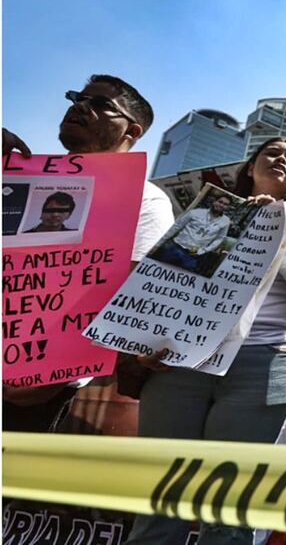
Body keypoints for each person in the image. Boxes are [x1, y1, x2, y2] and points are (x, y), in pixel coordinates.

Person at [126, 137, 286, 545]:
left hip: (262, 364)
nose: (280, 160)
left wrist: (277, 232)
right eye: (271, 153)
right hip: (184, 361)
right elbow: (172, 280)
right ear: (250, 169)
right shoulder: (208, 215)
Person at [2, 75, 174, 434]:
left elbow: (132, 291)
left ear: (133, 131)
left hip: (36, 380)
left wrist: (50, 367)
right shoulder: (17, 177)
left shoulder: (146, 199)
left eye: (101, 104)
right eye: (77, 97)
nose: (80, 106)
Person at [151, 194, 231, 272]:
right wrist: (158, 244)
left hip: (193, 255)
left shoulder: (226, 221)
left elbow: (220, 238)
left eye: (225, 204)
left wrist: (205, 250)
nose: (221, 205)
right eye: (220, 202)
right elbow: (176, 227)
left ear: (227, 207)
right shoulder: (196, 212)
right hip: (175, 248)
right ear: (214, 202)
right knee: (158, 271)